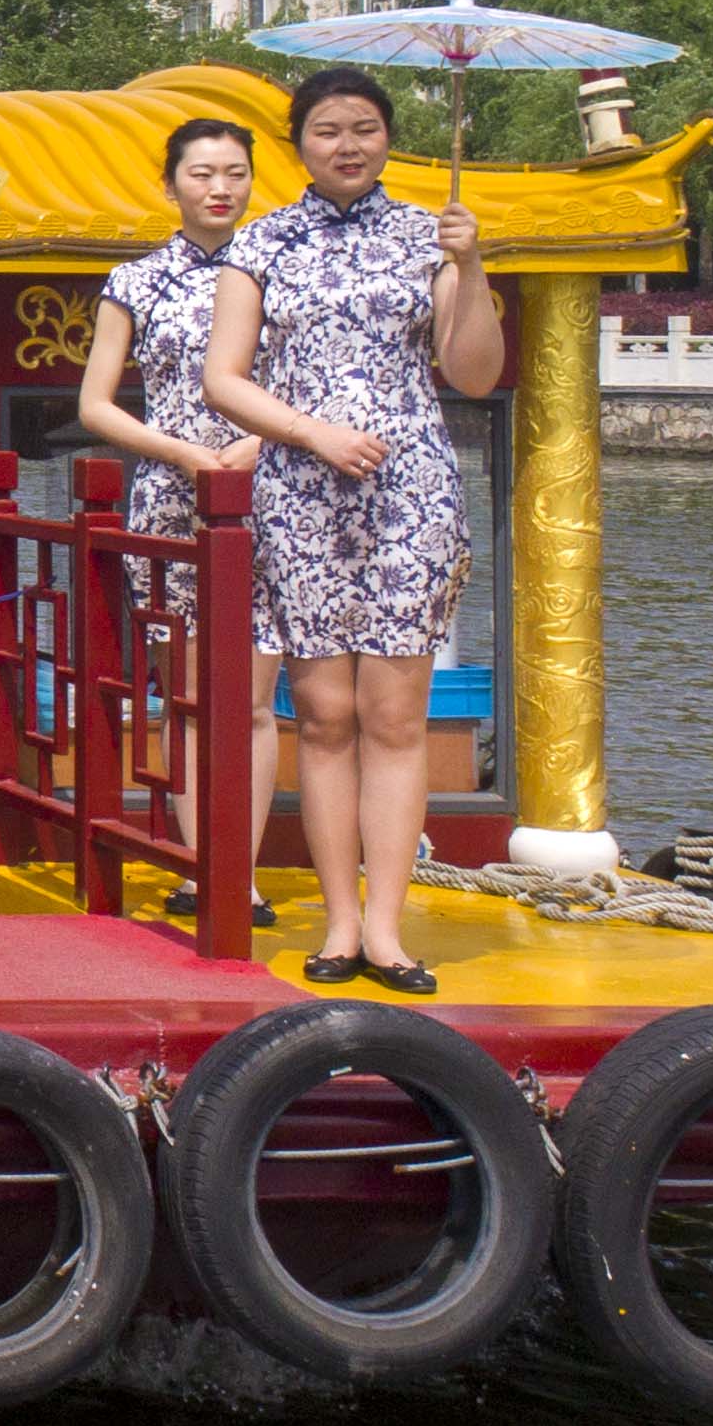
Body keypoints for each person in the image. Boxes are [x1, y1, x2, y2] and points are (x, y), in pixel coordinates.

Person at [202, 66, 507, 995]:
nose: (348, 144)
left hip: (409, 490)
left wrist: (470, 263)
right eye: (329, 128)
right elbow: (226, 378)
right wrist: (312, 433)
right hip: (302, 486)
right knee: (326, 716)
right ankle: (337, 923)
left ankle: (387, 928)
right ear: (300, 142)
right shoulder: (261, 242)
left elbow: (477, 373)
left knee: (396, 714)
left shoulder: (428, 236)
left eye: (366, 128)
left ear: (388, 138)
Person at [75, 113, 263, 916]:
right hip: (170, 496)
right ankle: (199, 862)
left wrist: (260, 444)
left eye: (234, 173)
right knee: (187, 694)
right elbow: (95, 403)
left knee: (253, 696)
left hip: (271, 493)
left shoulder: (275, 274)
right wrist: (183, 452)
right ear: (171, 184)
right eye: (202, 173)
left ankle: (241, 874)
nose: (220, 188)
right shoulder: (136, 280)